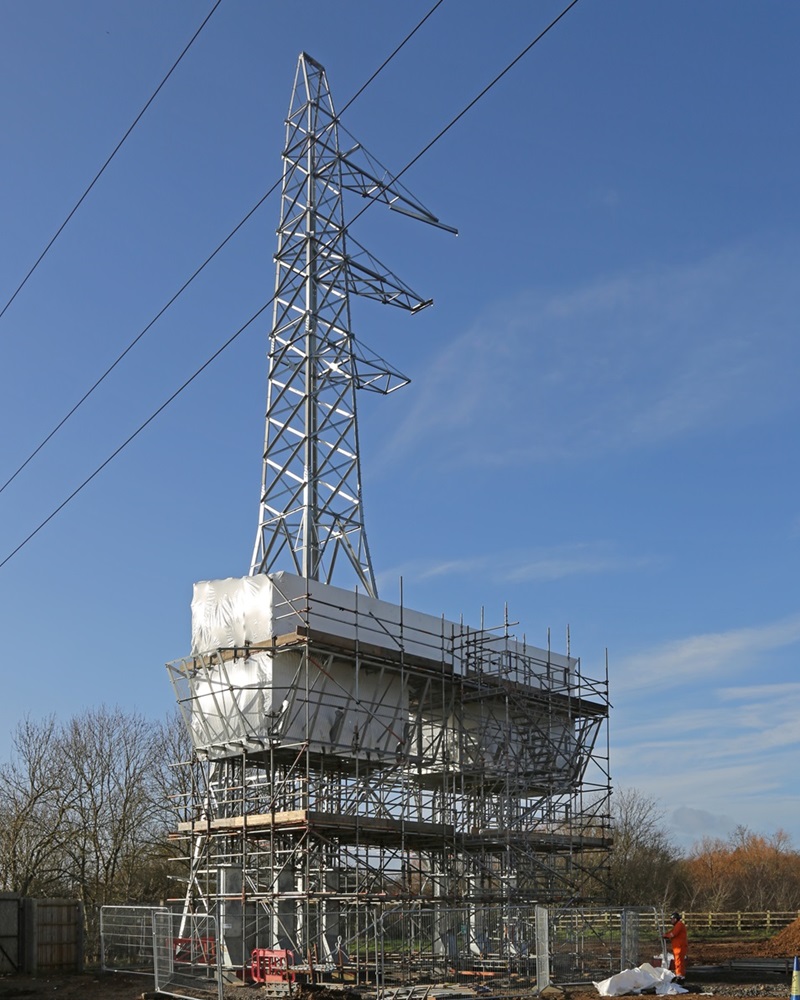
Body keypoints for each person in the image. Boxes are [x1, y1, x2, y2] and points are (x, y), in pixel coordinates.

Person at [663, 911, 688, 981]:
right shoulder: (678, 925)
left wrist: (666, 935)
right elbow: (672, 932)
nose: (671, 921)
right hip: (678, 947)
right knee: (679, 962)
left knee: (678, 962)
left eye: (672, 919)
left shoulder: (679, 925)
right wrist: (666, 934)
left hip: (679, 947)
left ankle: (679, 976)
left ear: (676, 919)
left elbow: (673, 934)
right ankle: (681, 976)